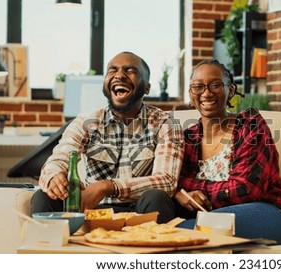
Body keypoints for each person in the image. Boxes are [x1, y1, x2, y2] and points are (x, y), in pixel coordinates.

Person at [173, 59, 281, 246]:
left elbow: (245, 189)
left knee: (177, 232)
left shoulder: (251, 126)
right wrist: (179, 193)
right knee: (176, 228)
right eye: (198, 87)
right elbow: (170, 180)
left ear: (231, 90)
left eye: (216, 85)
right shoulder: (187, 138)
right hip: (208, 216)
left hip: (264, 212)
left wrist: (190, 189)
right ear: (190, 93)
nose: (206, 92)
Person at [31, 51, 184, 223]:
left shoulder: (165, 124)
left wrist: (108, 187)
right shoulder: (86, 122)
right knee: (43, 196)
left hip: (139, 211)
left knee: (156, 197)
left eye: (130, 70)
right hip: (91, 209)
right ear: (105, 84)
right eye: (113, 70)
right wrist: (54, 176)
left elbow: (166, 182)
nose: (119, 75)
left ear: (147, 87)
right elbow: (58, 158)